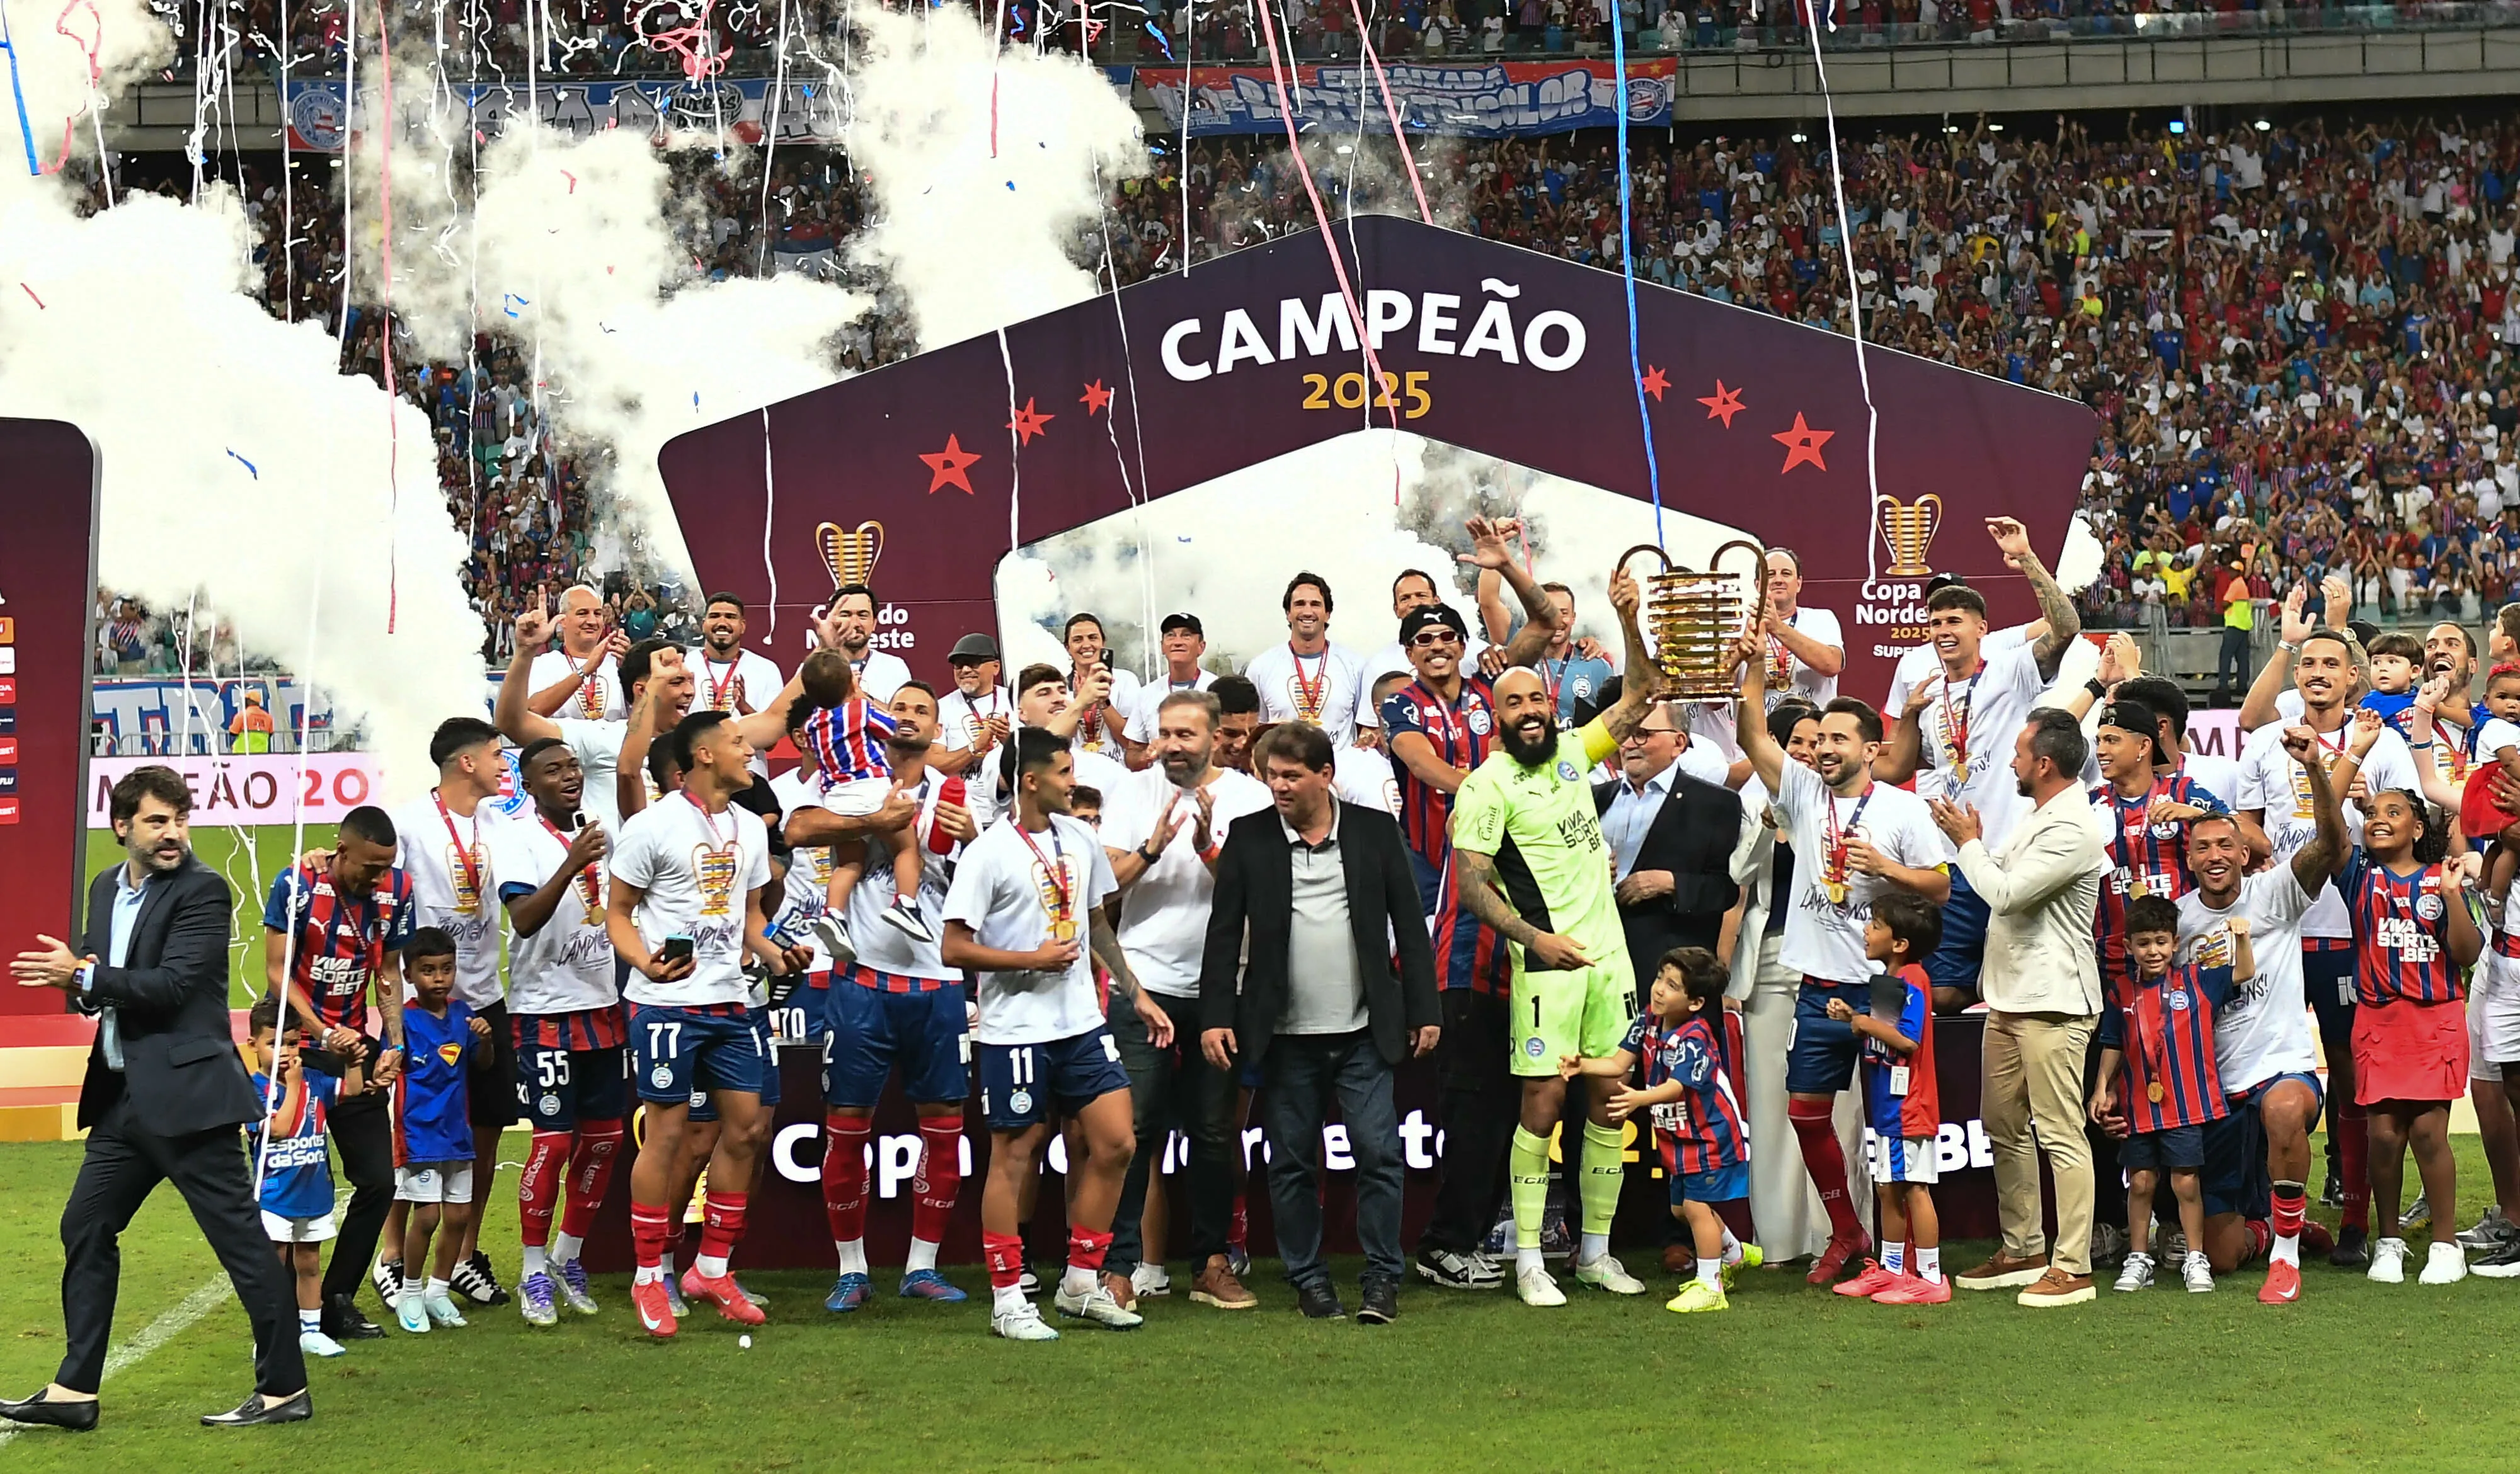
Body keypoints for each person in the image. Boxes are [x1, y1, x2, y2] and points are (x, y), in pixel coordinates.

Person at [6, 765, 309, 1430]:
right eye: (157, 821)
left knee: (239, 1244)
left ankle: (285, 1390)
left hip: (191, 1100)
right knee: (84, 1227)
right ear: (122, 828)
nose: (173, 833)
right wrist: (78, 979)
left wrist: (86, 973)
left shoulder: (202, 890)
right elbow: (98, 978)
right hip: (122, 1098)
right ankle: (74, 1393)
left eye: (180, 819)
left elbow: (172, 986)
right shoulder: (103, 888)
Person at [1450, 559, 1663, 1306]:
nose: (1529, 710)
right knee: (1541, 1105)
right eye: (1514, 703)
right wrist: (1533, 941)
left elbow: (1640, 696)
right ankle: (1531, 1258)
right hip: (1546, 969)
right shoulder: (1484, 787)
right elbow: (1471, 885)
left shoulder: (1574, 751)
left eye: (1536, 697)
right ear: (1497, 715)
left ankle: (1596, 1254)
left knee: (1610, 1101)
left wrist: (1629, 618)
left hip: (1610, 963)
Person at [1196, 722, 1439, 1323]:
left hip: (1365, 1030)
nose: (1278, 786)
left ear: (1324, 775)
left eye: (1290, 775)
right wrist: (1215, 1018)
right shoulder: (1250, 838)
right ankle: (1309, 1279)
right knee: (1291, 1162)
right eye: (1271, 775)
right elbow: (1223, 936)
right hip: (1282, 1036)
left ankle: (1382, 1278)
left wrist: (1425, 1009)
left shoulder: (1375, 832)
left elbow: (1409, 924)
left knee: (1379, 1154)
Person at [1736, 643, 1953, 1286]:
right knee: (1806, 1113)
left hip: (1882, 990)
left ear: (1870, 748)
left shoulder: (1903, 809)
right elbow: (1752, 734)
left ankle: (1910, 1263)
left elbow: (1939, 887)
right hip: (1818, 985)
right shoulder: (1801, 791)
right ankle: (1847, 1234)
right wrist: (1752, 667)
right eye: (1819, 738)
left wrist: (1886, 870)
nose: (1824, 748)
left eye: (1838, 738)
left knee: (1891, 1130)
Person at [1382, 520, 1560, 1291]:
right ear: (1409, 655)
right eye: (1419, 640)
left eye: (1444, 634)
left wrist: (1507, 571)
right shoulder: (1402, 709)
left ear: (1461, 642)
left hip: (1516, 922)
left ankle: (1472, 1235)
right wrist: (1498, 787)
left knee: (1508, 1095)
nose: (1433, 646)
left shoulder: (1498, 691)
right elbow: (1424, 769)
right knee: (1471, 1096)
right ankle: (1446, 1241)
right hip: (1456, 921)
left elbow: (1549, 624)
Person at [942, 728, 1159, 1340]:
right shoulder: (988, 852)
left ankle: (1079, 1284)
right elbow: (953, 945)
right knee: (1012, 1158)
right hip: (1014, 1031)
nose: (1074, 780)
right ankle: (1008, 1299)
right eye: (1063, 772)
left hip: (1080, 1023)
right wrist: (1027, 960)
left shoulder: (1082, 839)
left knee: (1117, 1141)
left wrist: (1134, 990)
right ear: (1031, 780)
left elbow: (1095, 921)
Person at [607, 711, 811, 1338]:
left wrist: (778, 953)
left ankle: (712, 1268)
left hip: (731, 1000)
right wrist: (644, 961)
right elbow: (617, 912)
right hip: (665, 1004)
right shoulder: (651, 827)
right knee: (666, 1136)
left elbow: (749, 919)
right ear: (701, 756)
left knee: (747, 1130)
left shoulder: (750, 827)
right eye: (736, 743)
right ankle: (649, 1277)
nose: (749, 751)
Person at [791, 682, 982, 1313]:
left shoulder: (959, 797)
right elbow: (798, 827)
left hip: (937, 984)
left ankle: (921, 1267)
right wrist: (871, 821)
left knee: (945, 1132)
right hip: (862, 981)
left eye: (920, 711)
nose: (905, 718)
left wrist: (975, 838)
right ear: (878, 719)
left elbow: (988, 877)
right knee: (845, 1131)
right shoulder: (847, 783)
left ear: (937, 731)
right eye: (897, 707)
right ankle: (851, 1270)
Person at [2235, 627, 2421, 1267]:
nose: (2316, 672)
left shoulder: (2383, 743)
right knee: (2260, 1068)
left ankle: (2352, 1216)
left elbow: (2401, 830)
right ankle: (2264, 1211)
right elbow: (2246, 829)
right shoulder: (2264, 742)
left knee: (2348, 1074)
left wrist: (2374, 811)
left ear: (2352, 678)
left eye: (2330, 665)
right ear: (2296, 678)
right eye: (2306, 663)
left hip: (2347, 928)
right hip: (2277, 930)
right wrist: (2257, 849)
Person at [1099, 690, 1273, 1311]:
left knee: (1213, 1132)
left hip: (1222, 990)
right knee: (1133, 1131)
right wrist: (1150, 848)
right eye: (1165, 734)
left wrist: (1203, 843)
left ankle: (1211, 1264)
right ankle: (1118, 1270)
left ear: (1213, 736)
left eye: (1186, 735)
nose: (1173, 745)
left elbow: (1260, 892)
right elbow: (1102, 885)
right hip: (1144, 984)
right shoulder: (1132, 790)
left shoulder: (1250, 797)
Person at [1932, 708, 2106, 1308]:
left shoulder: (2074, 827)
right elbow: (2002, 877)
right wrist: (1979, 845)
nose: (2011, 762)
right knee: (2003, 1125)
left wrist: (1968, 844)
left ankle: (2073, 1265)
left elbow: (2004, 894)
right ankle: (2024, 1245)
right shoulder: (2042, 817)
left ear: (2045, 763)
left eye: (2018, 753)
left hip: (2054, 1002)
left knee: (2060, 1133)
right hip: (2007, 997)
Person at [1879, 518, 2083, 1010]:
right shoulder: (1926, 697)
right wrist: (1908, 715)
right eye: (1935, 623)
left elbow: (2067, 627)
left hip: (2012, 858)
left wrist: (2027, 558)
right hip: (1955, 866)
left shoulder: (2011, 672)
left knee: (2021, 989)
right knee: (1944, 994)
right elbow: (1894, 769)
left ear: (1981, 629)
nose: (1943, 631)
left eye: (1954, 621)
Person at [2175, 727, 2348, 1303]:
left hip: (2282, 1068)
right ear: (2191, 858)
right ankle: (2275, 1223)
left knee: (2282, 1110)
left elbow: (2332, 847)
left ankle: (2286, 1257)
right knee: (2221, 1256)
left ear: (2245, 853)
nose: (2215, 856)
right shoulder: (2176, 925)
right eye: (2203, 848)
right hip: (2214, 1090)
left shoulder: (2274, 893)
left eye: (2226, 845)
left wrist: (2318, 770)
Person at [2332, 714, 2482, 1287]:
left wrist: (2453, 899)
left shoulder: (2442, 878)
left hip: (2436, 1017)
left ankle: (2445, 1244)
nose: (2378, 821)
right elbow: (2329, 823)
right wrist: (2351, 754)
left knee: (2428, 1134)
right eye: (2372, 814)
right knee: (2383, 1135)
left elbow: (2465, 954)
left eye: (2393, 813)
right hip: (2378, 1020)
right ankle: (2388, 1239)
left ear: (2419, 828)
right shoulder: (2357, 878)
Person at [484, 736, 623, 1327]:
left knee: (605, 1140)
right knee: (554, 1142)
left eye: (572, 767)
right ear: (530, 783)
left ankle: (570, 1257)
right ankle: (533, 1270)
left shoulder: (601, 827)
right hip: (543, 1012)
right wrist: (573, 862)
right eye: (553, 770)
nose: (568, 776)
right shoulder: (519, 838)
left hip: (604, 1006)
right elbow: (523, 917)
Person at [263, 804, 413, 1342]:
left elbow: (389, 971)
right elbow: (278, 972)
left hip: (355, 1050)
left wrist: (394, 1043)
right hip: (297, 1050)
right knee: (290, 1178)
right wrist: (322, 1032)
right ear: (342, 850)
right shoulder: (297, 884)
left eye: (385, 868)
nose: (378, 878)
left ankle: (335, 1299)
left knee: (377, 1179)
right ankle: (282, 1305)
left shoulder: (397, 890)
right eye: (370, 867)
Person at [1722, 700, 1859, 1270]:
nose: (1807, 753)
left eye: (1817, 741)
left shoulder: (1847, 806)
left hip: (1836, 965)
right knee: (1778, 1109)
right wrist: (1767, 828)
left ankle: (1845, 1232)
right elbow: (1738, 876)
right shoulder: (1754, 801)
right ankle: (1780, 1241)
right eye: (1796, 743)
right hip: (1771, 961)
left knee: (1840, 1111)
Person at [382, 717, 512, 1313]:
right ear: (466, 763)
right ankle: (391, 1257)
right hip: (423, 1007)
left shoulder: (500, 821)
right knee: (412, 1140)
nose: (502, 762)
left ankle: (461, 1256)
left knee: (477, 1140)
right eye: (495, 753)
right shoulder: (409, 822)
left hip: (483, 1000)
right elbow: (372, 880)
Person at [1561, 946, 1749, 1315]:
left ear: (1695, 1003)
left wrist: (1638, 1100)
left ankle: (1711, 1283)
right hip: (1680, 1138)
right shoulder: (1647, 1020)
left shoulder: (1695, 1037)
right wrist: (1583, 1066)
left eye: (1673, 985)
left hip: (1710, 1136)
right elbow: (1619, 1062)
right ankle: (1734, 1251)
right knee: (1680, 1209)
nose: (1660, 989)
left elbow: (1678, 1087)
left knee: (1696, 1207)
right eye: (1661, 978)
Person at [2092, 896, 2252, 1295]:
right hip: (2138, 1106)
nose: (2153, 951)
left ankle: (2196, 1258)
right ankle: (2139, 1257)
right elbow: (2112, 1042)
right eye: (2144, 943)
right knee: (2142, 1181)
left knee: (2185, 1183)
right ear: (2128, 947)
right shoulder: (2120, 991)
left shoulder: (2197, 980)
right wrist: (2100, 1087)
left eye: (2161, 942)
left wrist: (2242, 938)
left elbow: (2244, 971)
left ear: (2175, 943)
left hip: (2185, 1105)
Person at [1826, 893, 1949, 1305]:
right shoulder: (1890, 981)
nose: (1866, 930)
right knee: (1887, 1189)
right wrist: (1855, 1021)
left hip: (1909, 1106)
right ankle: (1892, 1270)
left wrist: (1862, 1021)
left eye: (1876, 925)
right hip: (1886, 1107)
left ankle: (1931, 1277)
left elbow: (1908, 1041)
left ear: (1900, 943)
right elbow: (1886, 1037)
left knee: (1914, 1187)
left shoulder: (1914, 977)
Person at [793, 648, 931, 958]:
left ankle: (833, 914)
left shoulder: (813, 724)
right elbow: (892, 728)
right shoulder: (859, 710)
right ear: (851, 684)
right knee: (907, 848)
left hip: (836, 799)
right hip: (871, 788)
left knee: (849, 863)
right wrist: (861, 698)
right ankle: (906, 905)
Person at [388, 928, 491, 1334]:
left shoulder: (463, 1015)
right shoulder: (404, 1021)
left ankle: (438, 1290)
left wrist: (485, 1041)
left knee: (459, 1217)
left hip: (457, 1134)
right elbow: (391, 1068)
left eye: (446, 969)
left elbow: (481, 1066)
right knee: (427, 1217)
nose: (439, 978)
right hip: (419, 1135)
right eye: (428, 970)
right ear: (410, 975)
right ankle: (410, 1293)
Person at [246, 991, 358, 1360]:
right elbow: (277, 1129)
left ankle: (310, 1331)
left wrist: (355, 1060)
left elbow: (352, 1090)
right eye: (274, 1043)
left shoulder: (314, 1078)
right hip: (275, 1196)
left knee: (309, 1263)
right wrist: (293, 1086)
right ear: (254, 1045)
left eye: (292, 1044)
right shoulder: (252, 1090)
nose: (285, 1052)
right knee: (274, 1266)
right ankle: (271, 1334)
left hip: (314, 1192)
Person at [1596, 702, 1743, 983]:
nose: (1628, 744)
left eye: (1642, 734)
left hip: (1670, 975)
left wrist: (1670, 883)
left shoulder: (1715, 803)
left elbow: (1725, 890)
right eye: (1625, 733)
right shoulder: (1594, 798)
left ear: (1678, 743)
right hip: (1598, 963)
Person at [1244, 571, 1370, 749]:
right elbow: (1257, 728)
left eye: (1316, 604)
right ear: (1288, 613)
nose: (1308, 611)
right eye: (1300, 604)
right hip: (1283, 770)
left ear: (1327, 614)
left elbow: (1364, 725)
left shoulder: (1355, 665)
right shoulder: (1260, 667)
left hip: (1339, 769)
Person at [1121, 613, 1217, 768]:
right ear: (1163, 647)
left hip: (1206, 785)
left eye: (1186, 636)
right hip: (1161, 786)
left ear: (1201, 647)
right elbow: (1132, 756)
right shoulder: (1147, 694)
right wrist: (1147, 755)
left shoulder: (1216, 689)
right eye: (1171, 636)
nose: (1177, 642)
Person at [1756, 547, 1846, 711]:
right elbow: (1716, 701)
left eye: (1786, 573)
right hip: (1758, 734)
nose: (1778, 580)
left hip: (1814, 731)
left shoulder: (1822, 619)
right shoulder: (1742, 627)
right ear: (1757, 585)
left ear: (1799, 584)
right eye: (1770, 574)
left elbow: (1831, 665)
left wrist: (1777, 627)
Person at [526, 584, 629, 720]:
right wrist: (585, 670)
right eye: (582, 613)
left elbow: (645, 717)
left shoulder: (618, 661)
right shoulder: (543, 665)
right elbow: (533, 711)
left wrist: (631, 670)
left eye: (597, 614)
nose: (592, 621)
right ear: (563, 621)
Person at [689, 592, 786, 729]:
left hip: (746, 750)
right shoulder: (684, 665)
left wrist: (744, 709)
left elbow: (771, 739)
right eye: (714, 616)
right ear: (704, 625)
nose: (722, 623)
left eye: (730, 617)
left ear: (743, 626)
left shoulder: (767, 670)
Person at [1062, 612, 1140, 762]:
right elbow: (1061, 744)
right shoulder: (1061, 689)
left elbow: (1131, 743)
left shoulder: (1125, 680)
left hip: (1118, 773)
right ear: (1068, 648)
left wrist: (1103, 702)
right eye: (1078, 640)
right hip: (1078, 776)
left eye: (1093, 638)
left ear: (1103, 643)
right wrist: (1079, 704)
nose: (1086, 645)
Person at [822, 582, 914, 704]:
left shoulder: (895, 667)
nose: (854, 623)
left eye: (863, 616)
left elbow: (901, 718)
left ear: (874, 623)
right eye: (846, 615)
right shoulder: (814, 668)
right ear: (832, 621)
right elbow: (793, 717)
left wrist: (861, 696)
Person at [936, 632, 1011, 779]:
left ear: (996, 667)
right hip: (960, 800)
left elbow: (1037, 760)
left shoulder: (1014, 700)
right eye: (959, 665)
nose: (965, 670)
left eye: (973, 663)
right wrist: (976, 746)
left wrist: (1008, 740)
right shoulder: (941, 708)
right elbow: (934, 764)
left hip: (1008, 799)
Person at [229, 688, 275, 753]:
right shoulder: (268, 717)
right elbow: (270, 734)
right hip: (262, 753)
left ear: (249, 701)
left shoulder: (242, 715)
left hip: (242, 753)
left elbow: (233, 733)